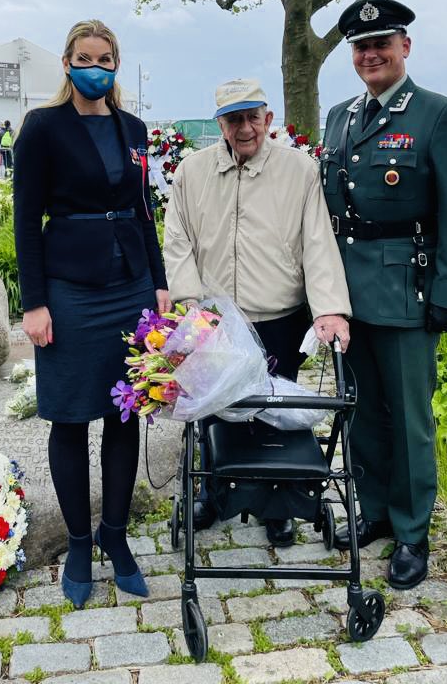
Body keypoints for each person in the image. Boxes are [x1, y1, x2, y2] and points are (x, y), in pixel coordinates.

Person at [321, 0, 447, 589]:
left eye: (382, 43)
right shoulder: (340, 116)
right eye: (361, 47)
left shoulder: (439, 115)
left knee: (410, 420)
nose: (371, 54)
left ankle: (413, 532)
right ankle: (375, 512)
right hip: (346, 295)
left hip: (407, 292)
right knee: (359, 411)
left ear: (405, 47)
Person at [13, 19, 169, 608]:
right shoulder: (43, 127)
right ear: (66, 62)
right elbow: (27, 219)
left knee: (125, 416)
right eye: (84, 57)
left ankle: (115, 534)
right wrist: (34, 302)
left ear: (116, 65)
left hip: (129, 285)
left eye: (104, 58)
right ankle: (80, 542)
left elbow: (144, 210)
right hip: (70, 288)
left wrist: (157, 282)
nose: (94, 66)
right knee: (72, 416)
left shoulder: (134, 129)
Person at [163, 78, 352, 546]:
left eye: (253, 117)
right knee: (212, 410)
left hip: (277, 315)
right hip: (215, 321)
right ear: (221, 125)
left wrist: (329, 309)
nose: (244, 128)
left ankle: (279, 506)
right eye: (233, 119)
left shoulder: (298, 170)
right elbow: (178, 240)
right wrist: (190, 307)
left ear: (268, 119)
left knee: (274, 411)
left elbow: (317, 242)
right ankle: (212, 494)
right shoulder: (193, 171)